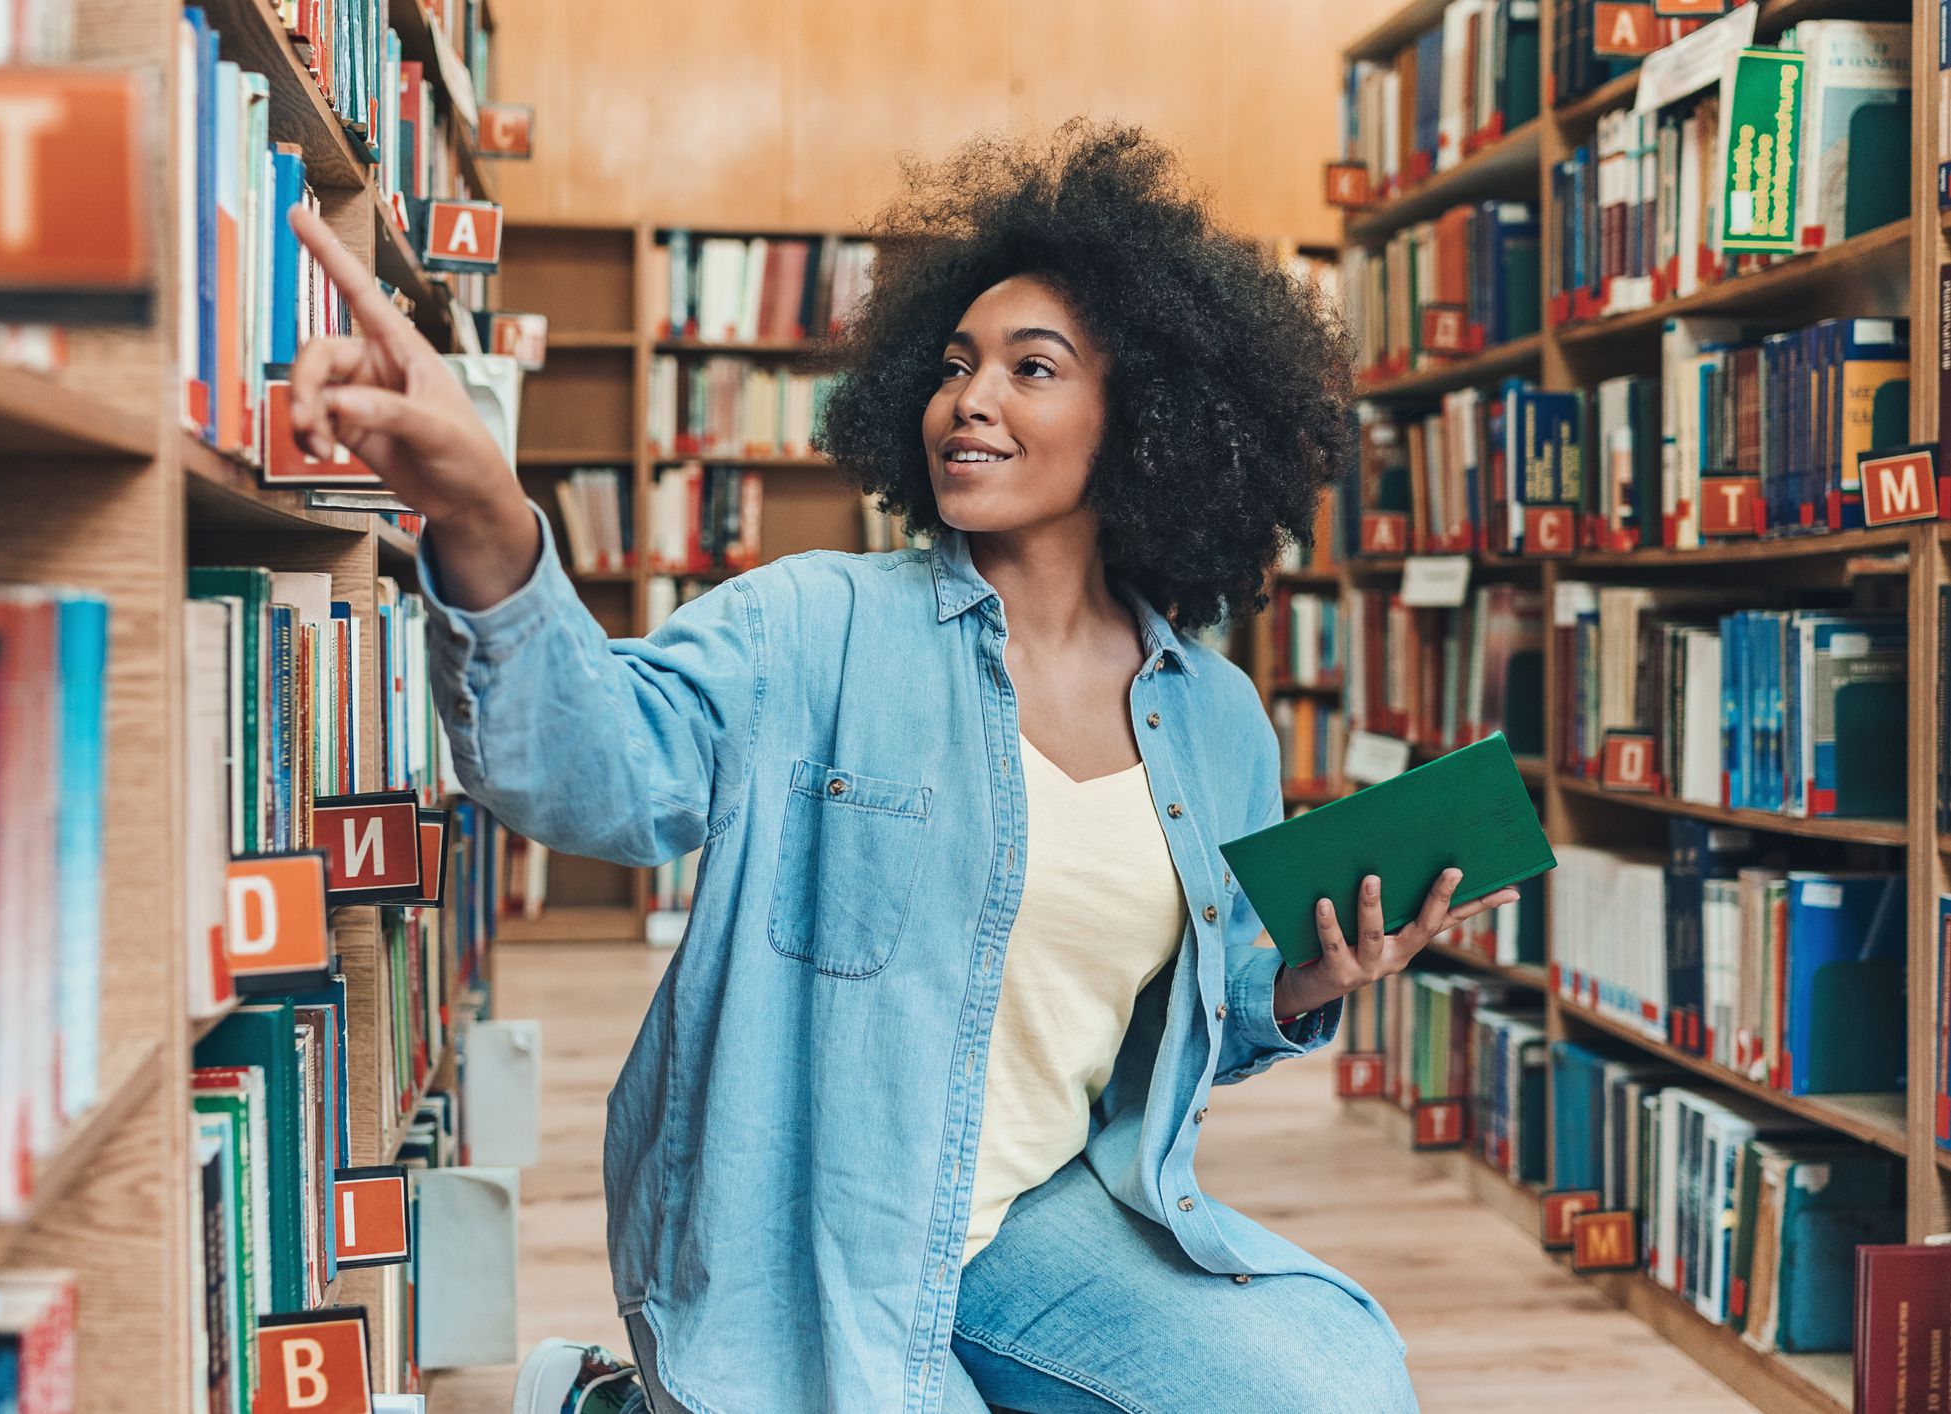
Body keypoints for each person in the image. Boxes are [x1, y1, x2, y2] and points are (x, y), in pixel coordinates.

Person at [286, 120, 1516, 1414]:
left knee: (1340, 1389)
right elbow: (587, 774)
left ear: (1145, 416)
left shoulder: (1214, 719)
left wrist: (1310, 974)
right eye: (951, 365)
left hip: (1037, 1220)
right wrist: (486, 517)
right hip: (815, 1245)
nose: (967, 400)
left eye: (1029, 368)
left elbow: (1186, 1012)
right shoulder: (810, 623)